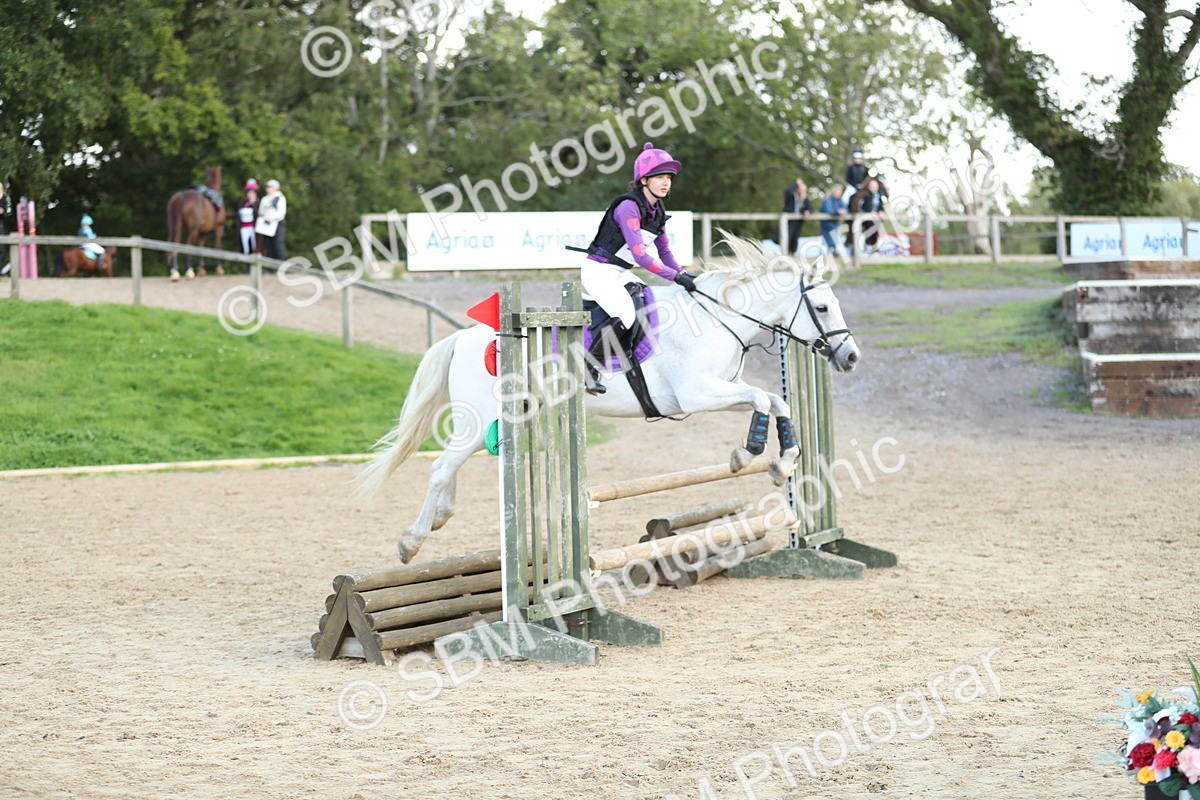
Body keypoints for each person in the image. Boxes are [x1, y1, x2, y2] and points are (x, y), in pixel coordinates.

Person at [574, 142, 697, 395]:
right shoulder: (628, 207)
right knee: (626, 315)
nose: (666, 183)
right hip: (598, 270)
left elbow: (664, 252)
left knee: (648, 301)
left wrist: (683, 274)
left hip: (618, 272)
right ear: (643, 180)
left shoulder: (657, 210)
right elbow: (641, 256)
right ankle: (589, 367)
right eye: (660, 177)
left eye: (669, 178)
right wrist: (674, 276)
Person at [773, 177, 812, 254]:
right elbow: (788, 191)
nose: (801, 190)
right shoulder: (791, 196)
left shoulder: (805, 199)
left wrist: (808, 212)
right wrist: (796, 183)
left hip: (797, 224)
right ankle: (784, 255)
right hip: (788, 222)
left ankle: (789, 255)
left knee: (793, 243)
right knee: (785, 239)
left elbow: (810, 208)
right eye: (800, 188)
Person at [850, 177, 886, 254]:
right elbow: (860, 208)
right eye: (872, 186)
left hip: (875, 219)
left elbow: (881, 207)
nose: (874, 188)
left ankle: (873, 250)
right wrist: (869, 213)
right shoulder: (864, 195)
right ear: (869, 187)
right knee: (868, 231)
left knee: (875, 232)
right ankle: (864, 250)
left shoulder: (879, 196)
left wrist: (881, 212)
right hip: (865, 218)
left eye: (876, 187)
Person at [255, 179, 287, 260]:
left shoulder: (280, 198)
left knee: (278, 245)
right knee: (268, 246)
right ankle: (271, 269)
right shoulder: (265, 199)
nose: (267, 188)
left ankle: (280, 265)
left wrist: (271, 218)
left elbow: (281, 213)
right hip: (266, 225)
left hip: (278, 224)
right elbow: (261, 212)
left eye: (269, 187)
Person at [819, 185, 849, 254]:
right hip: (826, 223)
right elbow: (829, 211)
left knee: (833, 237)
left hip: (834, 223)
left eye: (840, 192)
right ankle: (829, 251)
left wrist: (844, 210)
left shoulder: (839, 200)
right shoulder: (828, 200)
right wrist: (838, 211)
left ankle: (832, 250)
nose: (838, 193)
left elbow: (845, 208)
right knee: (828, 238)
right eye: (837, 192)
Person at [238, 179, 259, 255]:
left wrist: (253, 204)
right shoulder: (243, 202)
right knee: (245, 245)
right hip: (244, 227)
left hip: (254, 227)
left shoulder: (258, 202)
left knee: (254, 244)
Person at [0, 183, 10, 275]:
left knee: (0, 249)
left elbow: (6, 215)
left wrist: (2, 212)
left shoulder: (4, 199)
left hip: (0, 225)